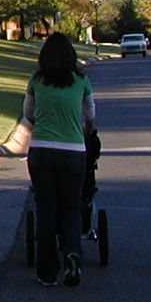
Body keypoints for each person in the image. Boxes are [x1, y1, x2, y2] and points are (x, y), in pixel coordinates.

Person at [22, 32, 96, 287]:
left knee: (46, 208)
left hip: (41, 150)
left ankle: (47, 272)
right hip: (73, 151)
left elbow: (28, 113)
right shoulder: (81, 81)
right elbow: (90, 114)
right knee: (71, 206)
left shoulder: (37, 81)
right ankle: (73, 252)